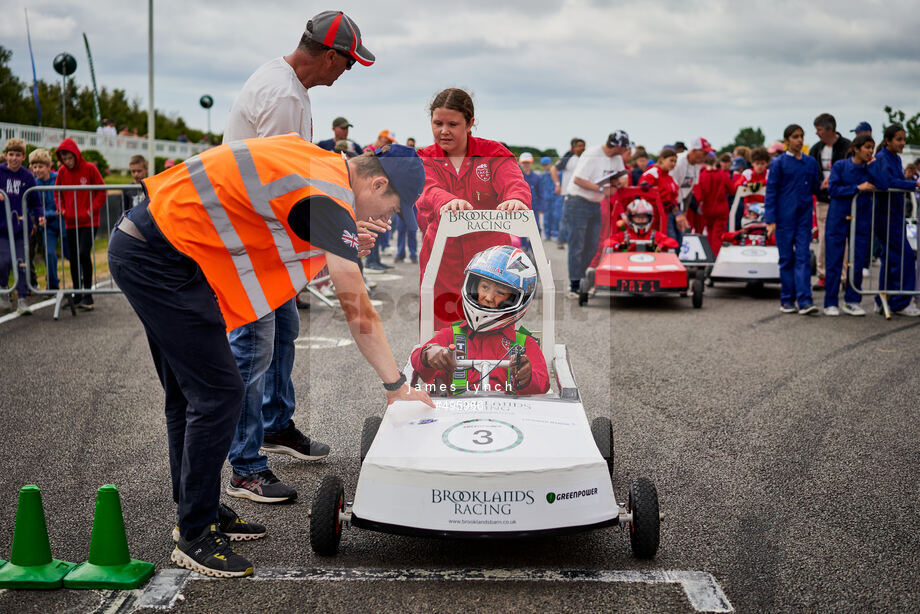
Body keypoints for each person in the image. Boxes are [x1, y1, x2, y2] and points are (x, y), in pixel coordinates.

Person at [108, 136, 434, 578]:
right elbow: (355, 302)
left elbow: (279, 224)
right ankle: (195, 533)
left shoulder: (322, 168)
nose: (387, 220)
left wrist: (337, 239)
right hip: (158, 258)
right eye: (393, 209)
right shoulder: (326, 198)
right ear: (377, 185)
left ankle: (195, 510)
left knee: (190, 396)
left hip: (160, 247)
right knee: (219, 392)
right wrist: (396, 387)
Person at [222, 10, 376, 505]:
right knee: (252, 347)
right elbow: (283, 190)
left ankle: (274, 424)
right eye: (347, 63)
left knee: (285, 329)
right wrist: (339, 235)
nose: (346, 73)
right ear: (328, 55)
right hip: (250, 240)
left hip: (265, 238)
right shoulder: (285, 96)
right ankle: (245, 467)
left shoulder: (289, 86)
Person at [416, 88, 531, 329]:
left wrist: (516, 199)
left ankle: (496, 366)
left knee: (493, 320)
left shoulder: (494, 153)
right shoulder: (424, 157)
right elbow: (426, 190)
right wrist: (446, 201)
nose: (444, 131)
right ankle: (439, 366)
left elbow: (514, 182)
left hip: (491, 256)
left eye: (453, 124)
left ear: (470, 123)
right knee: (440, 323)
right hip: (442, 254)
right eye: (437, 123)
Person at [410, 245, 548, 396]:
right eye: (484, 287)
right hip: (455, 414)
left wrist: (527, 377)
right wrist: (429, 353)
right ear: (473, 286)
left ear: (516, 300)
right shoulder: (451, 336)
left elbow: (543, 384)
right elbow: (418, 362)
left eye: (500, 292)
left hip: (506, 415)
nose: (488, 297)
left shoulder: (525, 344)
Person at [824, 134, 889, 316]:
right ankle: (831, 302)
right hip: (838, 218)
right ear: (856, 148)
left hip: (861, 219)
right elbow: (833, 189)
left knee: (857, 260)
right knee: (834, 260)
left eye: (872, 147)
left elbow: (884, 184)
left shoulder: (871, 168)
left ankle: (852, 301)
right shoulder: (840, 166)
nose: (870, 151)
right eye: (867, 147)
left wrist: (875, 164)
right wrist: (856, 188)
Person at [563, 131, 631, 299]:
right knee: (577, 244)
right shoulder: (593, 154)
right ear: (617, 146)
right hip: (578, 201)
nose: (625, 151)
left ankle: (582, 278)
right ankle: (575, 285)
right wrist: (602, 189)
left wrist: (620, 182)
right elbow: (578, 179)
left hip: (595, 203)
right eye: (624, 147)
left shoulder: (616, 159)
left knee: (593, 245)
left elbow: (624, 176)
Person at [765, 124, 822, 315]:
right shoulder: (778, 163)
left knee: (803, 258)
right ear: (787, 141)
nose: (799, 140)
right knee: (786, 259)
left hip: (804, 218)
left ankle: (805, 301)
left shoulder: (811, 162)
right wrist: (771, 220)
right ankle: (787, 300)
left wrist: (826, 185)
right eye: (795, 137)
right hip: (783, 219)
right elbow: (771, 192)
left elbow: (816, 187)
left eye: (802, 136)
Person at [871, 123, 920, 316]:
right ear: (888, 140)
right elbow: (887, 183)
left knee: (890, 259)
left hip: (896, 215)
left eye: (903, 139)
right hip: (887, 215)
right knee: (906, 257)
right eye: (898, 139)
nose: (902, 142)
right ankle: (901, 302)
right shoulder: (883, 158)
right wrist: (912, 184)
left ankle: (883, 299)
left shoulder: (895, 158)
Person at [55, 138, 106, 311]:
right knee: (74, 257)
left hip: (89, 221)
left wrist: (91, 209)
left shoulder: (90, 168)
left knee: (84, 253)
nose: (68, 162)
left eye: (70, 158)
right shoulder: (62, 171)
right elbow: (57, 193)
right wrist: (61, 209)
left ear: (76, 155)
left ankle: (88, 294)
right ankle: (77, 294)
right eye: (65, 159)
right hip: (70, 221)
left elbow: (101, 190)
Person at [810, 113, 851, 292]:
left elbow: (852, 170)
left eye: (819, 130)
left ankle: (841, 276)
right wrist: (819, 184)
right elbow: (812, 173)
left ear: (830, 129)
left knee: (843, 240)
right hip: (823, 200)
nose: (817, 133)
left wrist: (834, 181)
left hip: (842, 200)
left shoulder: (847, 146)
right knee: (824, 238)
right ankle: (823, 275)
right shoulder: (815, 149)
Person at [0, 139, 41, 313]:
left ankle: (22, 299)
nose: (14, 158)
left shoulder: (27, 176)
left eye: (18, 155)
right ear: (5, 156)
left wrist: (39, 217)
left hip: (20, 228)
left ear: (23, 157)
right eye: (11, 154)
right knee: (4, 261)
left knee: (21, 262)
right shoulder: (0, 172)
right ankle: (4, 292)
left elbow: (36, 201)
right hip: (2, 228)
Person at [29, 149, 63, 291]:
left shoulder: (58, 179)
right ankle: (53, 285)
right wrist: (38, 218)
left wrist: (45, 215)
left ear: (49, 166)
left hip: (62, 222)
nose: (38, 169)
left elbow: (58, 205)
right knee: (49, 253)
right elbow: (32, 205)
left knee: (71, 253)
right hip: (46, 226)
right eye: (35, 166)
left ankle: (79, 282)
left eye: (41, 166)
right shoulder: (33, 183)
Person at [670, 137, 712, 244]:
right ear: (693, 151)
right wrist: (677, 213)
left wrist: (684, 212)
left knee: (679, 239)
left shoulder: (697, 164)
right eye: (704, 153)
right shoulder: (679, 163)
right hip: (667, 204)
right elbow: (668, 191)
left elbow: (690, 189)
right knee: (671, 238)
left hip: (677, 203)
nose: (705, 157)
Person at [693, 152, 733, 258]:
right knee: (718, 236)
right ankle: (716, 258)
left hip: (707, 210)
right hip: (721, 210)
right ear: (716, 162)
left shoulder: (701, 176)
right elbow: (732, 190)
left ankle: (710, 257)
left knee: (710, 235)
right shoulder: (723, 175)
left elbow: (698, 196)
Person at [606, 197, 677, 252]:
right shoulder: (625, 235)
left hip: (650, 266)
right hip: (628, 267)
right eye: (637, 217)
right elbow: (607, 242)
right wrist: (620, 246)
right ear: (630, 218)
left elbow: (673, 243)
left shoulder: (654, 235)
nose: (640, 219)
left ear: (650, 218)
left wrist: (660, 245)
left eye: (644, 217)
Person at [551, 138, 585, 246]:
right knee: (566, 218)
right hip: (568, 193)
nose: (582, 148)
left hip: (582, 194)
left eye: (583, 145)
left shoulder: (585, 158)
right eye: (579, 146)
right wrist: (557, 185)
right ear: (573, 147)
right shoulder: (568, 158)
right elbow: (554, 169)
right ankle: (561, 241)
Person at [519, 152, 544, 233]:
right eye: (524, 162)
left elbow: (541, 193)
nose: (526, 164)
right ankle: (522, 245)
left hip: (533, 207)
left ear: (531, 163)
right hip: (519, 207)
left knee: (535, 228)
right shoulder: (517, 176)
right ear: (520, 162)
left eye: (528, 162)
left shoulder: (537, 177)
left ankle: (533, 245)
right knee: (520, 229)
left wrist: (541, 207)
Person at [537, 156, 556, 239]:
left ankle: (555, 234)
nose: (546, 166)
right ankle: (547, 235)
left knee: (556, 216)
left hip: (556, 198)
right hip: (546, 199)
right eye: (544, 165)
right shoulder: (542, 175)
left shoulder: (556, 174)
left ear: (550, 164)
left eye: (547, 164)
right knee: (546, 217)